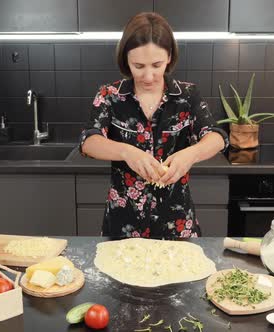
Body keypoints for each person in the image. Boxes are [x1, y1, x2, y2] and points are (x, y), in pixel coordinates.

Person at [78, 12, 228, 239]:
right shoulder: (110, 95)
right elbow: (89, 141)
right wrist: (125, 151)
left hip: (176, 222)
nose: (148, 76)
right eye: (138, 66)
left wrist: (191, 154)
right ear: (126, 61)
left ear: (169, 56)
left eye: (157, 65)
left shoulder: (187, 95)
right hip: (123, 223)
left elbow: (217, 137)